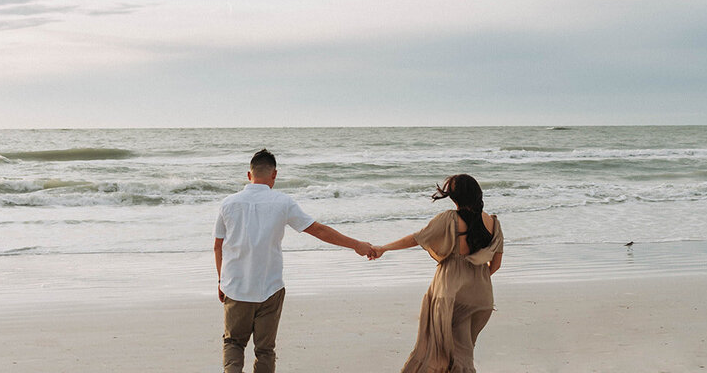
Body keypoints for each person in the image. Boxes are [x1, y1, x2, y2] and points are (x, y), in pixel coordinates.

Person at [214, 148, 376, 373]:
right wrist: (356, 245)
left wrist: (221, 280)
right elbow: (318, 230)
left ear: (249, 175)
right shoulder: (282, 202)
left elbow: (218, 246)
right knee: (265, 350)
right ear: (274, 175)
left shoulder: (228, 204)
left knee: (233, 343)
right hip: (269, 288)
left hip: (235, 287)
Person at [372, 174, 503, 373]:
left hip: (450, 293)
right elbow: (495, 265)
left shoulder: (449, 218)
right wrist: (474, 278)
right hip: (482, 297)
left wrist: (384, 248)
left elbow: (417, 238)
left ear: (454, 197)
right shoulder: (493, 223)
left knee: (446, 354)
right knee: (463, 351)